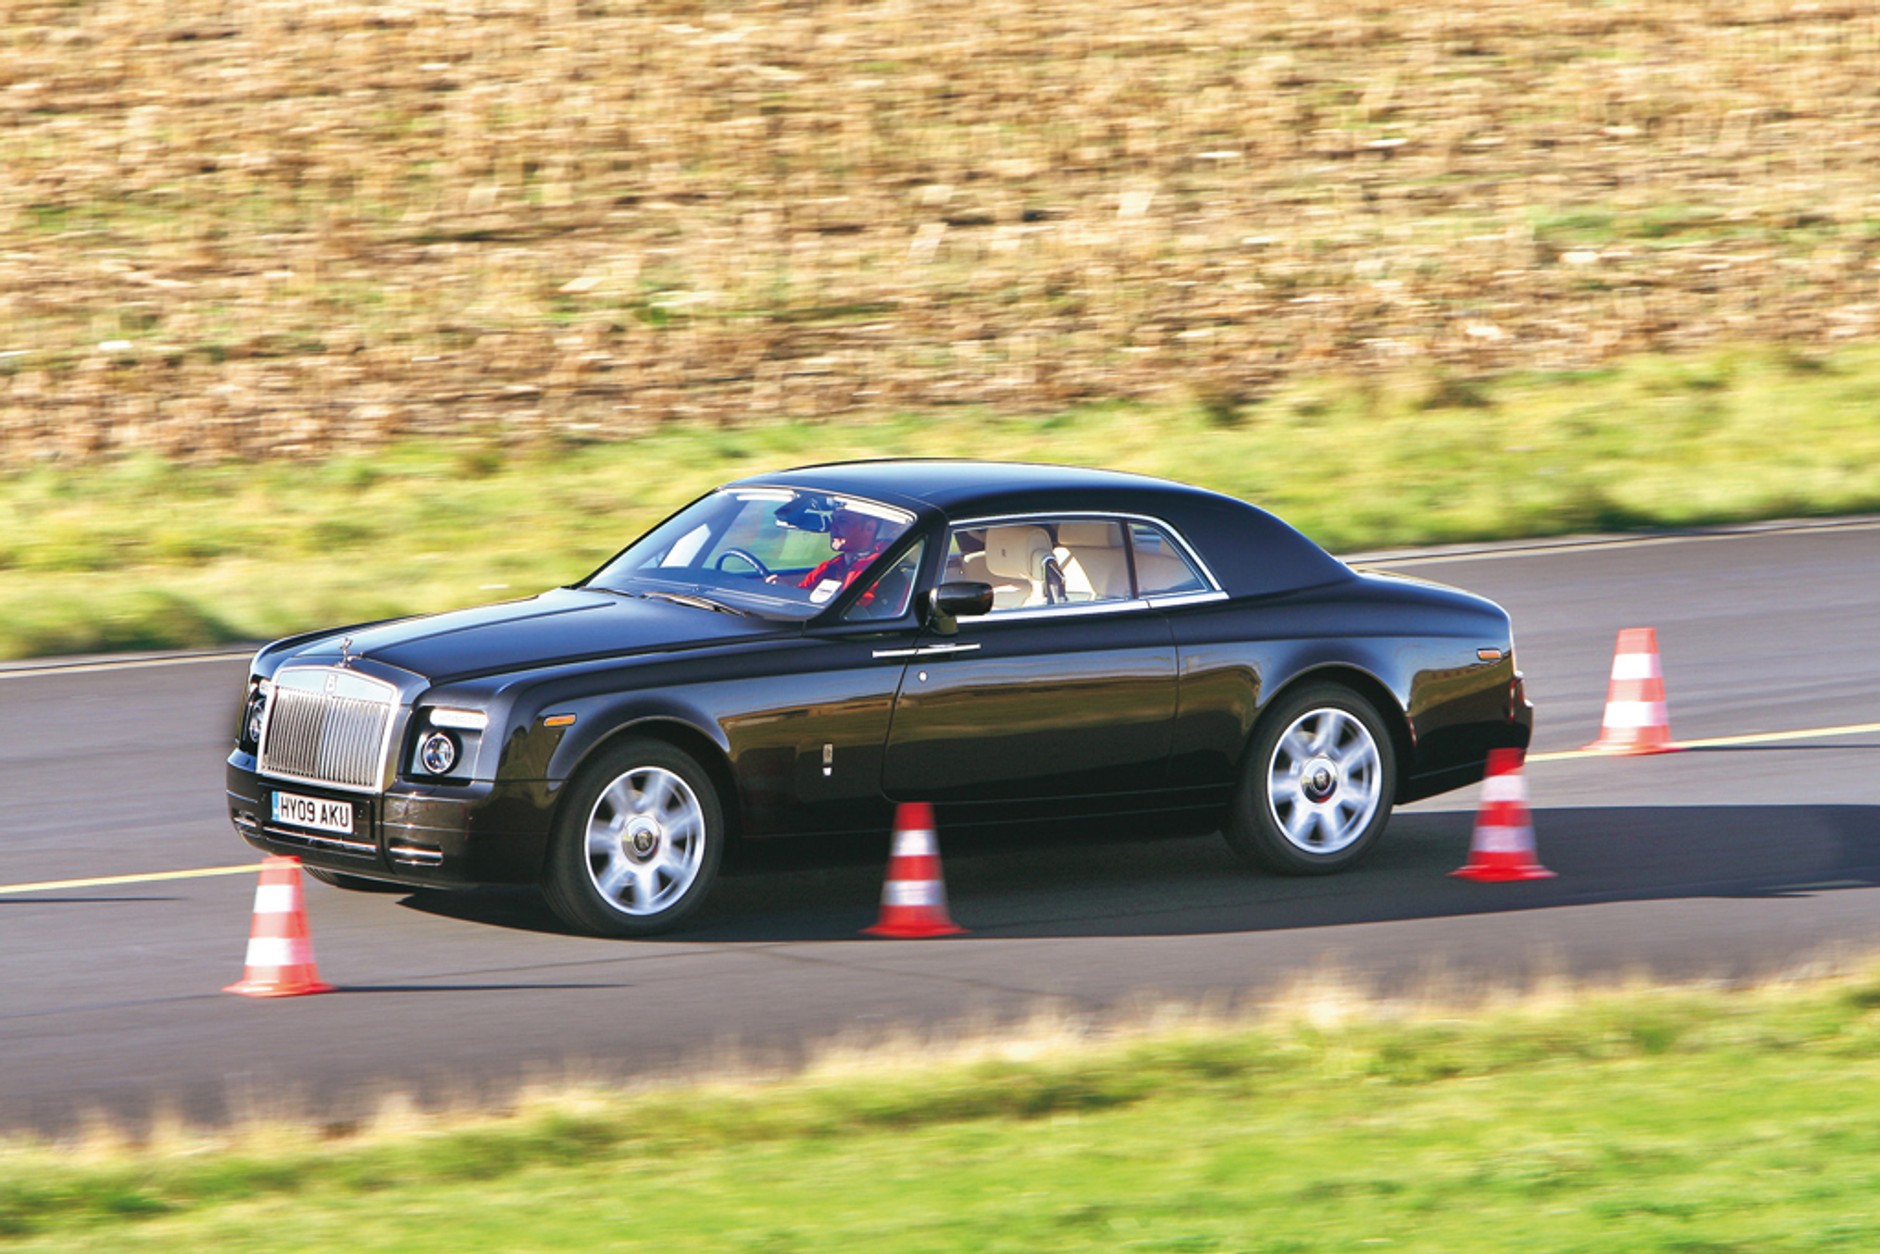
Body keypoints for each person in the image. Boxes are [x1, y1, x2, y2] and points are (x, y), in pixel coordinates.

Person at [795, 508, 886, 597]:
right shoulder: (829, 567)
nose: (832, 527)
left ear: (869, 527)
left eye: (843, 521)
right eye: (833, 521)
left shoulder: (882, 570)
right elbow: (798, 597)